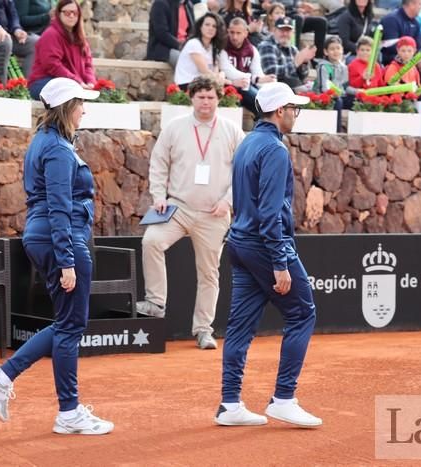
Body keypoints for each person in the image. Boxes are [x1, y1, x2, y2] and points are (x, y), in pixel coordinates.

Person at [0, 78, 114, 435]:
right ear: (68, 107)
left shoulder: (47, 142)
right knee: (70, 326)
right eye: (82, 103)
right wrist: (68, 259)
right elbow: (59, 206)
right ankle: (68, 412)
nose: (85, 109)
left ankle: (4, 375)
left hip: (48, 238)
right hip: (60, 240)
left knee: (66, 323)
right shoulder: (56, 149)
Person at [215, 82, 322, 428]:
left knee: (240, 327)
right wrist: (280, 262)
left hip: (240, 243)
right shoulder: (274, 150)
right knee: (302, 313)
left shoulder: (248, 142)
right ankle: (284, 398)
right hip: (264, 245)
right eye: (294, 108)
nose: (296, 114)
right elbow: (271, 213)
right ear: (280, 111)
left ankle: (230, 404)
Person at [137, 76, 246, 350]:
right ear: (192, 98)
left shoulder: (233, 131)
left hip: (214, 214)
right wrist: (159, 196)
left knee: (209, 273)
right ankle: (155, 302)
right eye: (201, 97)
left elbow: (244, 172)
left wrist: (228, 201)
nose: (206, 102)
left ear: (218, 99)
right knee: (151, 241)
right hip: (178, 208)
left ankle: (203, 330)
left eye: (210, 97)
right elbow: (159, 163)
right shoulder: (175, 128)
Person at [28, 0, 96, 100]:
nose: (72, 16)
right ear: (59, 14)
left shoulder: (80, 38)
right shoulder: (51, 34)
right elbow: (52, 64)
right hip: (43, 83)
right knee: (68, 92)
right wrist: (77, 82)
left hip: (72, 83)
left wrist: (90, 82)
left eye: (75, 13)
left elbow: (88, 65)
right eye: (67, 13)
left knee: (100, 92)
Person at [174, 12, 250, 89]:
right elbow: (206, 73)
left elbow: (215, 73)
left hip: (205, 84)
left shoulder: (213, 47)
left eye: (214, 26)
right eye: (207, 25)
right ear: (200, 27)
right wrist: (232, 82)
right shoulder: (194, 43)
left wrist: (222, 75)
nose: (210, 28)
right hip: (188, 85)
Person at [225, 17, 277, 113]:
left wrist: (266, 81)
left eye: (238, 33)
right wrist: (255, 79)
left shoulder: (252, 50)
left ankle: (259, 126)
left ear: (245, 33)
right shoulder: (222, 47)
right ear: (228, 31)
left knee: (264, 104)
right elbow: (228, 72)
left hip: (245, 86)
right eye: (232, 32)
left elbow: (257, 72)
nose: (234, 37)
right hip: (226, 85)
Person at [259, 16, 316, 90]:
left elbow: (303, 76)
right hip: (276, 89)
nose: (285, 34)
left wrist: (303, 63)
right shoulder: (267, 46)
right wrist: (295, 63)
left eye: (288, 31)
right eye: (282, 30)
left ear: (292, 33)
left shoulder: (293, 49)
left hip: (294, 87)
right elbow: (271, 71)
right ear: (274, 30)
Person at [146, 0, 195, 67]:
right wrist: (180, 46)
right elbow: (162, 34)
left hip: (184, 47)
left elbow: (192, 31)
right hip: (164, 49)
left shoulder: (188, 5)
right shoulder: (160, 4)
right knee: (186, 61)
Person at [380, 0, 421, 65]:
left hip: (409, 62)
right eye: (419, 4)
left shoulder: (416, 23)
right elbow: (390, 48)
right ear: (411, 4)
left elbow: (419, 47)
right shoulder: (391, 19)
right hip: (390, 64)